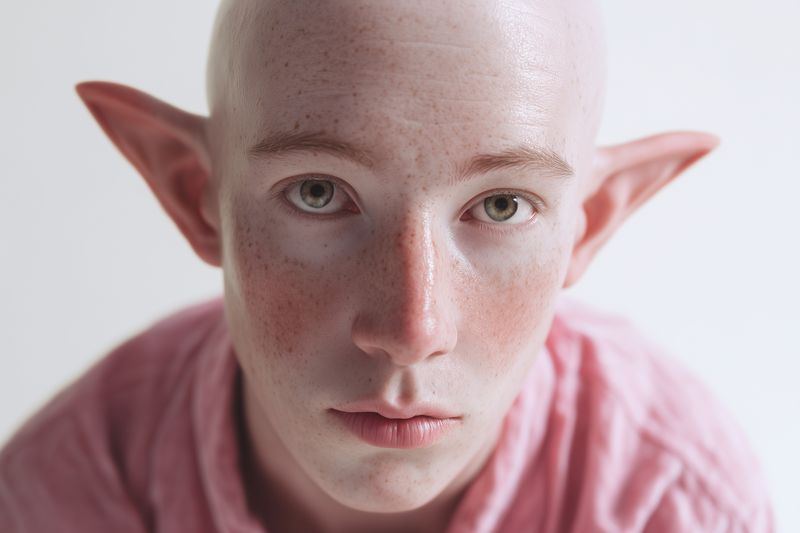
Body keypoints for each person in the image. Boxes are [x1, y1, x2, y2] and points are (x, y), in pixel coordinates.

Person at [0, 0, 774, 531]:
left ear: (590, 222)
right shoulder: (70, 493)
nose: (412, 328)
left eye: (502, 205)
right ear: (196, 190)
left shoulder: (674, 504)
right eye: (317, 191)